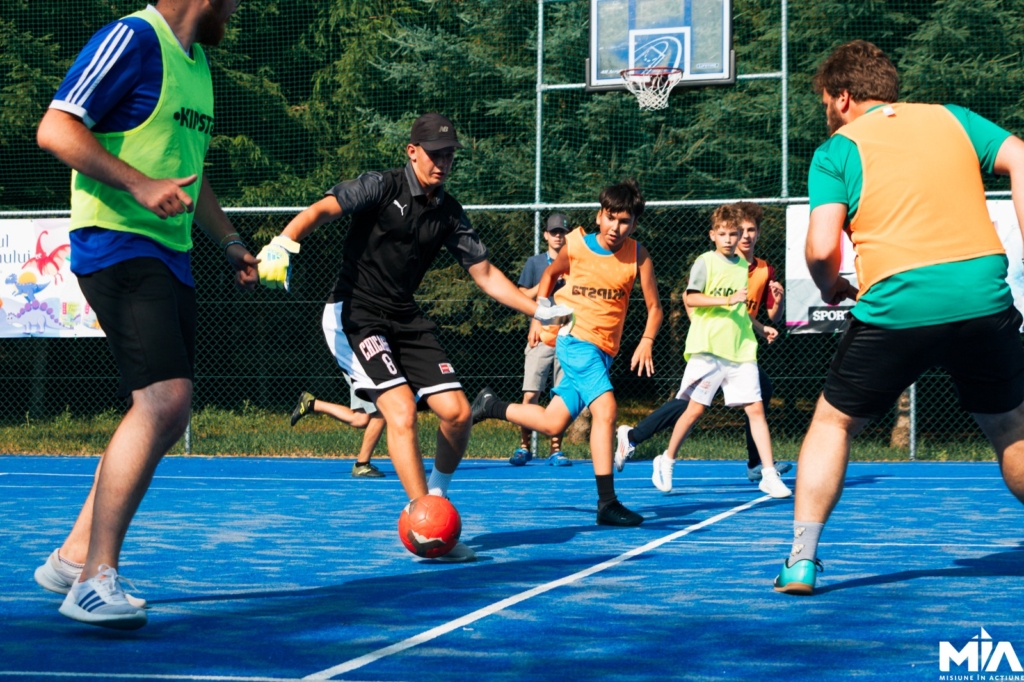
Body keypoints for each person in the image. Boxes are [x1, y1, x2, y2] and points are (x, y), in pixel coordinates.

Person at [33, 0, 257, 630]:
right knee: (164, 400)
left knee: (165, 410)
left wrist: (230, 242)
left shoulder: (199, 65)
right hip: (117, 242)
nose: (237, 8)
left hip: (170, 255)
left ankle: (73, 557)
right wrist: (137, 183)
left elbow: (191, 176)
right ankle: (93, 581)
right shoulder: (133, 38)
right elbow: (56, 128)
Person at [260, 113, 572, 562]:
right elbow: (323, 208)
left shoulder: (448, 211)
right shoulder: (380, 186)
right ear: (412, 152)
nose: (443, 163)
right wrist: (285, 241)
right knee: (401, 410)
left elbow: (485, 274)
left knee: (458, 413)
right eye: (434, 154)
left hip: (403, 316)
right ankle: (421, 519)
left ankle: (435, 505)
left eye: (449, 155)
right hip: (355, 314)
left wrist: (539, 309)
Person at [774, 40, 1024, 595]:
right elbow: (1021, 156)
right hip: (981, 296)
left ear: (842, 96)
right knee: (1011, 428)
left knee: (832, 424)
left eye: (825, 102)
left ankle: (801, 561)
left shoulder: (837, 150)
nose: (826, 112)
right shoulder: (953, 119)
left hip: (896, 301)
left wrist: (830, 286)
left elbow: (821, 248)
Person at [471, 179, 663, 526]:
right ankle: (607, 503)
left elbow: (655, 308)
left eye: (624, 221)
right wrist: (539, 315)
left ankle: (489, 405)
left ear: (634, 224)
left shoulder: (638, 256)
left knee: (552, 422)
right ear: (599, 215)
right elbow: (549, 275)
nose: (615, 227)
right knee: (606, 409)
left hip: (603, 351)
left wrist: (647, 339)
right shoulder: (575, 245)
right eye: (610, 217)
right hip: (574, 340)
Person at [614, 202, 792, 482]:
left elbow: (766, 314)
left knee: (758, 397)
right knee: (689, 406)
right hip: (712, 346)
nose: (744, 236)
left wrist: (767, 319)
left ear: (758, 233)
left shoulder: (761, 270)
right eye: (740, 230)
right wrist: (703, 325)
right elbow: (692, 298)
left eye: (750, 230)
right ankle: (635, 436)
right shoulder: (714, 262)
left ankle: (756, 463)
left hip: (738, 346)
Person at [511, 213, 569, 466]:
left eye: (562, 232)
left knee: (561, 397)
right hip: (540, 336)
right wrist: (548, 279)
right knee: (531, 393)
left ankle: (556, 450)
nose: (558, 236)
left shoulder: (576, 263)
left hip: (568, 337)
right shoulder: (534, 263)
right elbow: (521, 296)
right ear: (545, 235)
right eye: (554, 232)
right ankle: (524, 447)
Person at [290, 377, 387, 478]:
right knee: (382, 411)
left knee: (360, 419)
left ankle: (311, 403)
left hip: (365, 371)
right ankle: (362, 464)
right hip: (365, 371)